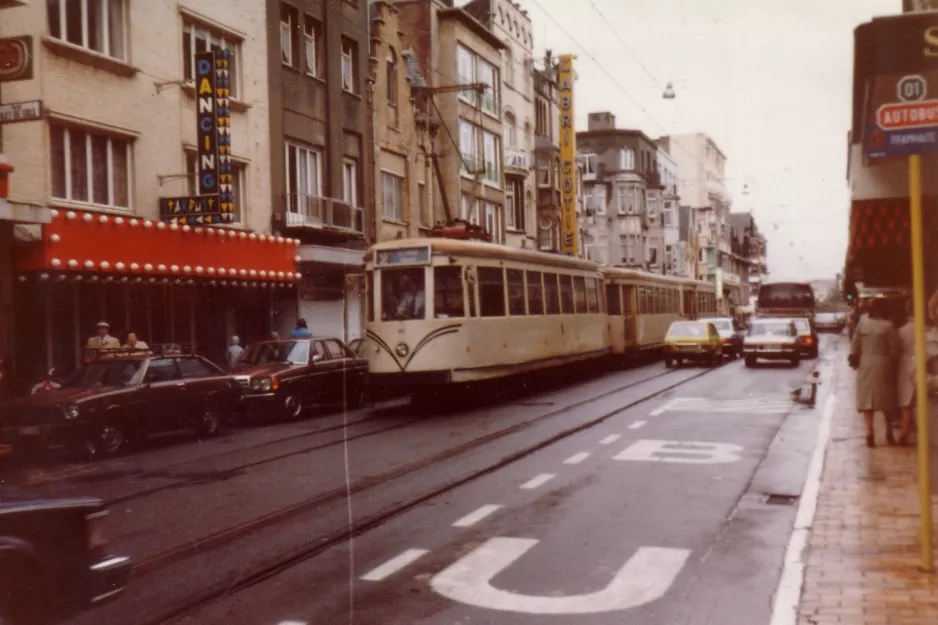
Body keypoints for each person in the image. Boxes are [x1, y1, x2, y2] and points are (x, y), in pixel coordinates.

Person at [850, 297, 900, 448]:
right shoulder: (888, 326)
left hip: (865, 364)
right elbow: (895, 348)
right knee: (887, 400)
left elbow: (855, 344)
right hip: (883, 365)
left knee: (867, 400)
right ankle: (889, 432)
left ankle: (869, 433)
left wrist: (855, 359)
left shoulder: (863, 322)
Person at [897, 299, 919, 445]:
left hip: (905, 366)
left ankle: (905, 431)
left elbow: (897, 349)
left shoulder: (902, 331)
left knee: (906, 402)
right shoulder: (927, 329)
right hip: (923, 364)